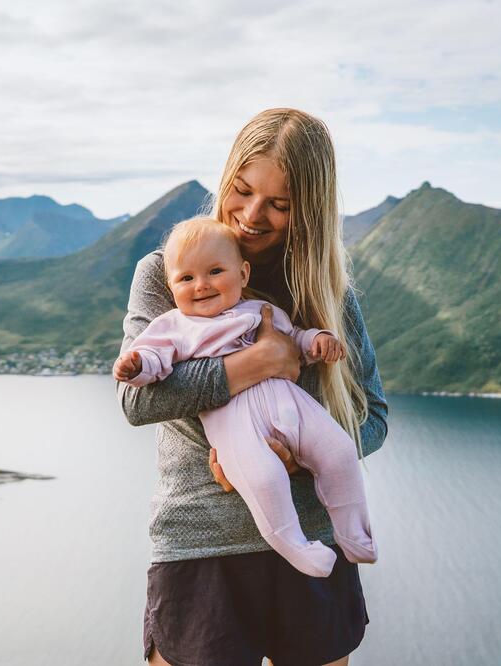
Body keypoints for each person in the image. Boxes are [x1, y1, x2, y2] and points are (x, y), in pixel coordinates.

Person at [117, 108, 388, 666]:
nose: (251, 215)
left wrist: (294, 457)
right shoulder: (169, 271)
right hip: (200, 542)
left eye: (279, 204)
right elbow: (136, 399)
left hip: (314, 542)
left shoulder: (326, 290)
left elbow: (375, 418)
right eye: (242, 191)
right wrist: (259, 363)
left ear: (309, 209)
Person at [115, 216, 377, 578]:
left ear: (243, 275)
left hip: (291, 405)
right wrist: (136, 364)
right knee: (265, 479)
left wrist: (317, 341)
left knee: (339, 451)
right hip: (234, 422)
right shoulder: (173, 325)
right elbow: (152, 364)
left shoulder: (259, 311)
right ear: (170, 287)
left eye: (215, 272)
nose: (202, 285)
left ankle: (354, 533)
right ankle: (297, 548)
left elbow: (295, 338)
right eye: (186, 278)